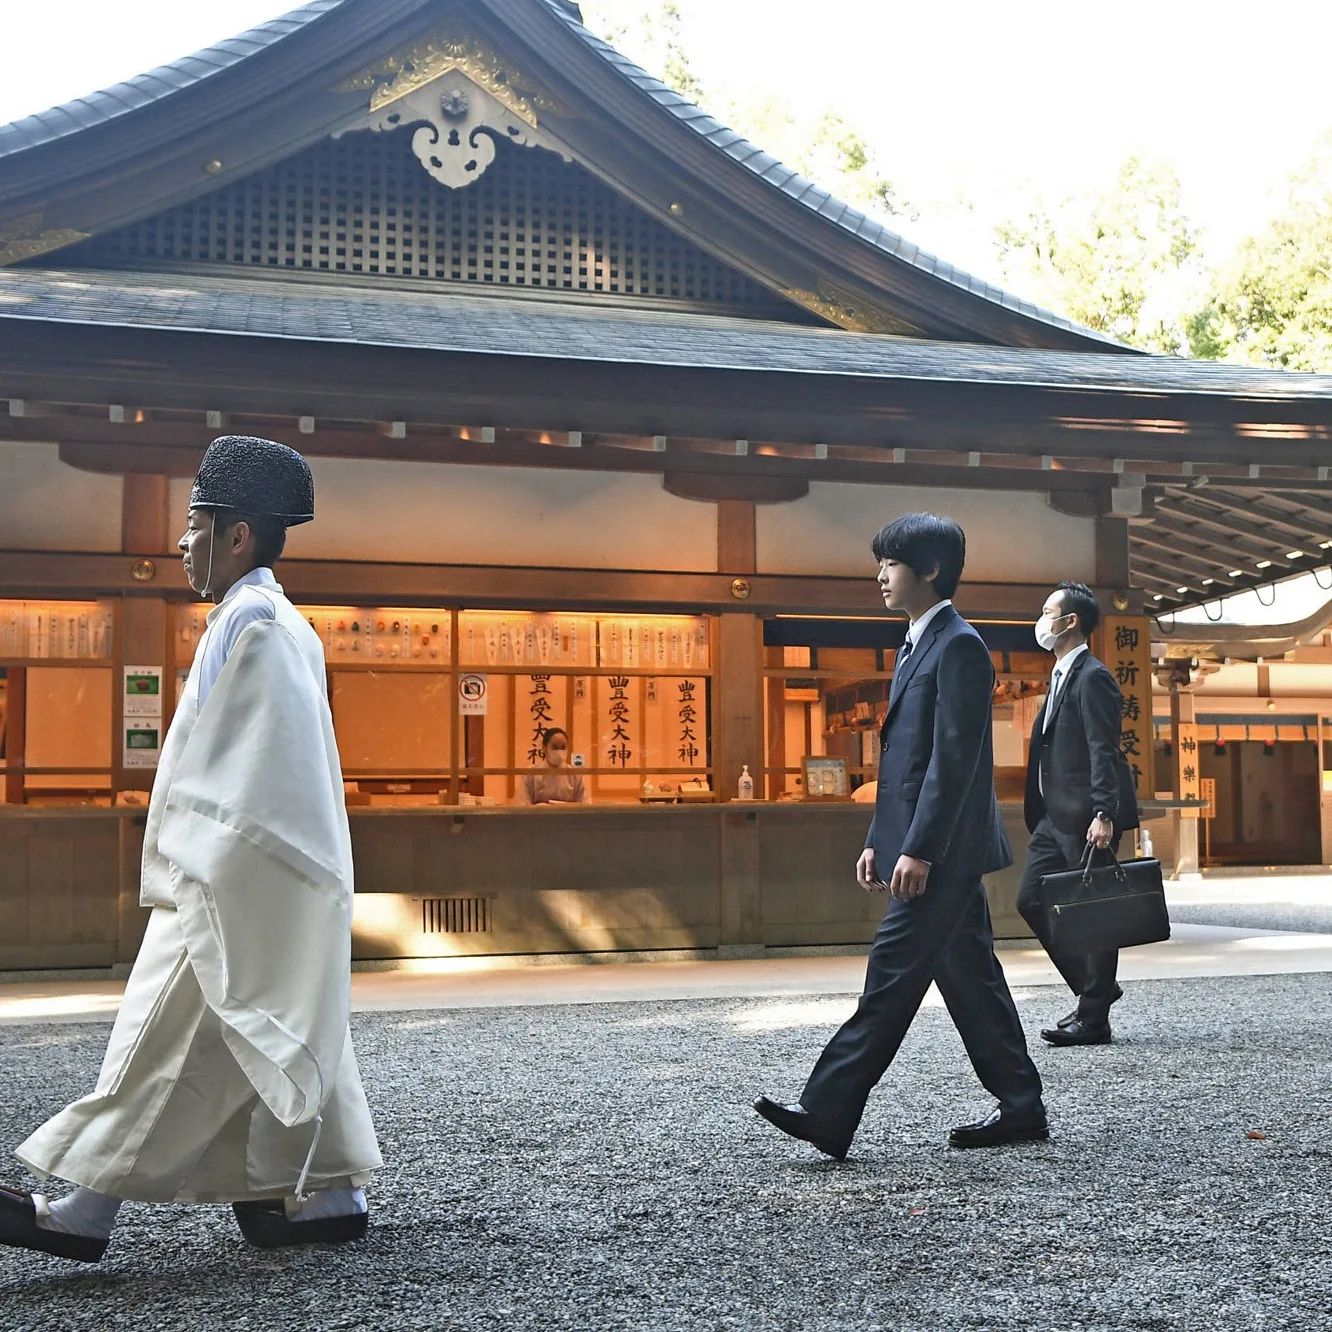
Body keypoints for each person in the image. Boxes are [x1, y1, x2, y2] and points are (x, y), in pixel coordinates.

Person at [1, 436, 381, 1265]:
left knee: (163, 1039)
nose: (181, 542)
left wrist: (200, 855)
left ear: (236, 535)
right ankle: (329, 1193)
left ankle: (84, 1212)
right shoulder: (265, 621)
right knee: (283, 1021)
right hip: (246, 863)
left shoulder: (258, 624)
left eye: (195, 523)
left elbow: (254, 768)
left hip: (230, 864)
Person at [754, 513, 1046, 1159]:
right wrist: (877, 840)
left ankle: (828, 1111)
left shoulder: (960, 646)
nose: (880, 575)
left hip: (940, 852)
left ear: (930, 570)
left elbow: (954, 761)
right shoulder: (917, 643)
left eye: (890, 562)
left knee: (889, 977)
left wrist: (917, 849)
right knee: (972, 980)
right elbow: (901, 764)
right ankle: (1022, 1105)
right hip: (924, 844)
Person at [1018, 581, 1140, 1047]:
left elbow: (1103, 749)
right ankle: (1098, 992)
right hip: (1052, 817)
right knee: (1031, 900)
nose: (1041, 619)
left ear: (1070, 621)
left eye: (1048, 611)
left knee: (1096, 914)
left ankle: (1093, 1019)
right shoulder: (1059, 675)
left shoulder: (1093, 676)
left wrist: (1105, 813)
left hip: (1089, 818)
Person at [518, 727, 589, 805]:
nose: (559, 751)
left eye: (563, 747)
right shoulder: (531, 774)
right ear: (544, 748)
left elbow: (584, 804)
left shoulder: (575, 774)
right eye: (555, 747)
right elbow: (523, 805)